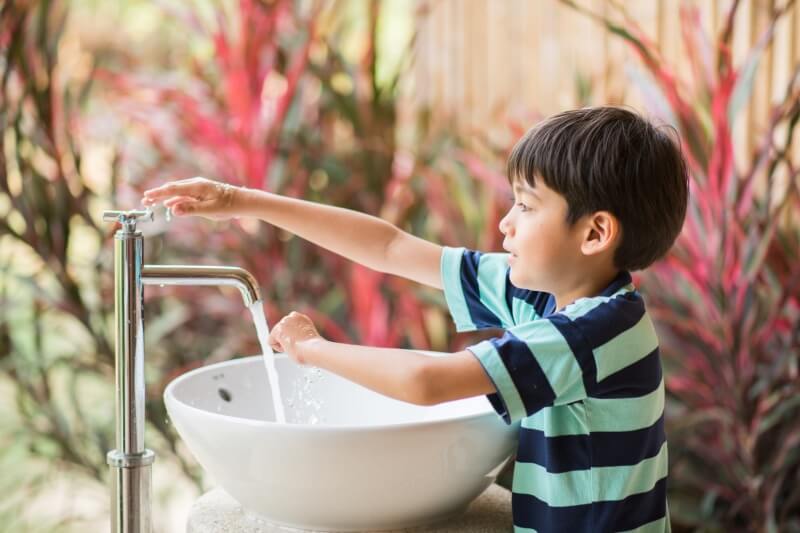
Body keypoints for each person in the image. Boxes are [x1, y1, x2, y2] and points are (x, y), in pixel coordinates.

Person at [142, 106, 688, 532]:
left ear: (594, 234)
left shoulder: (594, 333)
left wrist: (312, 350)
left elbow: (429, 383)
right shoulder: (546, 296)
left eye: (525, 206)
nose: (504, 224)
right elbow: (392, 247)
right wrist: (240, 199)